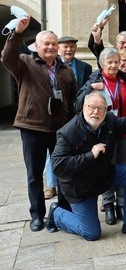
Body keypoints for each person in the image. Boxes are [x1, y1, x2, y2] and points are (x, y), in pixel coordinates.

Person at [1, 17, 78, 231]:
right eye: (47, 44)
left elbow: (72, 99)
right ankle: (37, 215)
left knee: (63, 171)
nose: (51, 47)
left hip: (59, 129)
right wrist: (16, 33)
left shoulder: (65, 70)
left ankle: (63, 211)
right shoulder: (25, 62)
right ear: (37, 46)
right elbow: (7, 57)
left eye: (54, 44)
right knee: (34, 175)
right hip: (32, 127)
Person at [46, 92, 126, 240]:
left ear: (106, 110)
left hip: (104, 176)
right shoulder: (68, 132)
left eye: (101, 108)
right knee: (91, 233)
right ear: (83, 108)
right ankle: (57, 213)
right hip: (81, 188)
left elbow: (125, 125)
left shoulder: (109, 119)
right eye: (91, 107)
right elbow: (58, 165)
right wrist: (90, 155)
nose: (96, 112)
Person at [74, 48, 126, 225]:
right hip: (105, 133)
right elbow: (78, 104)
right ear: (102, 64)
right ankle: (108, 204)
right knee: (106, 168)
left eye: (117, 62)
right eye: (110, 62)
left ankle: (122, 204)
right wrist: (90, 89)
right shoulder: (94, 80)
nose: (115, 65)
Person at [42, 35, 92, 200]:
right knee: (55, 151)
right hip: (56, 115)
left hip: (78, 116)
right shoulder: (52, 66)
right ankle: (51, 184)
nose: (69, 50)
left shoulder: (84, 67)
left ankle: (72, 181)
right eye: (65, 47)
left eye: (72, 47)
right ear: (59, 49)